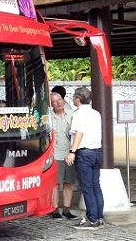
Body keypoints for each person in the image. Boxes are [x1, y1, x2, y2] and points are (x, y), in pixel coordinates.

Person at [65, 87, 103, 230]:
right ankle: (99, 217)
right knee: (96, 186)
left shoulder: (79, 114)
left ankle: (91, 219)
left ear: (78, 99)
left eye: (74, 97)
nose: (73, 99)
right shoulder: (95, 113)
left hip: (84, 152)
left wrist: (72, 151)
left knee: (87, 187)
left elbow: (79, 133)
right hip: (96, 151)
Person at [49, 91, 78, 220]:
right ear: (51, 104)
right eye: (54, 101)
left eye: (59, 99)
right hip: (56, 154)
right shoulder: (49, 117)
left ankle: (67, 209)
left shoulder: (72, 115)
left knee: (69, 183)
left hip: (69, 153)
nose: (58, 103)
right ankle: (54, 208)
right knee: (55, 183)